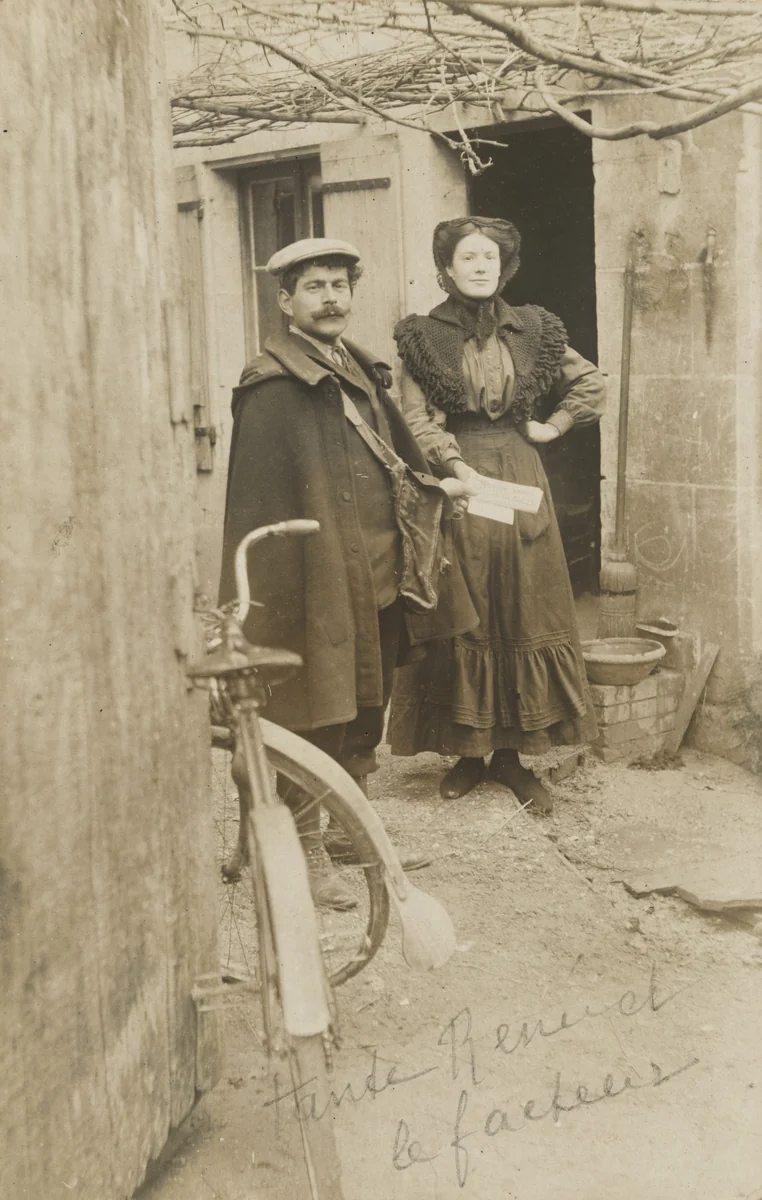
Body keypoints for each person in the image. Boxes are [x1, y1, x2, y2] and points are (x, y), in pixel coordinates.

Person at [218, 237, 476, 908]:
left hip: (378, 568)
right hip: (315, 574)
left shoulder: (356, 367)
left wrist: (438, 484)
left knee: (365, 700)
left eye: (339, 285)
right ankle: (300, 850)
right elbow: (257, 507)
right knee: (314, 707)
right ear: (285, 300)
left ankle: (344, 829)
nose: (331, 298)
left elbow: (393, 457)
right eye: (314, 287)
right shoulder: (271, 385)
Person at [388, 216, 606, 812]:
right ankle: (468, 753)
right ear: (447, 268)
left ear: (503, 266)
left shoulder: (533, 328)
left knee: (521, 601)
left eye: (489, 257)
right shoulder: (421, 337)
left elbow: (590, 384)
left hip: (520, 470)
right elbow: (415, 417)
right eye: (468, 257)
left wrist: (551, 425)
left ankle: (511, 757)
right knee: (470, 603)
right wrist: (456, 469)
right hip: (460, 480)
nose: (480, 266)